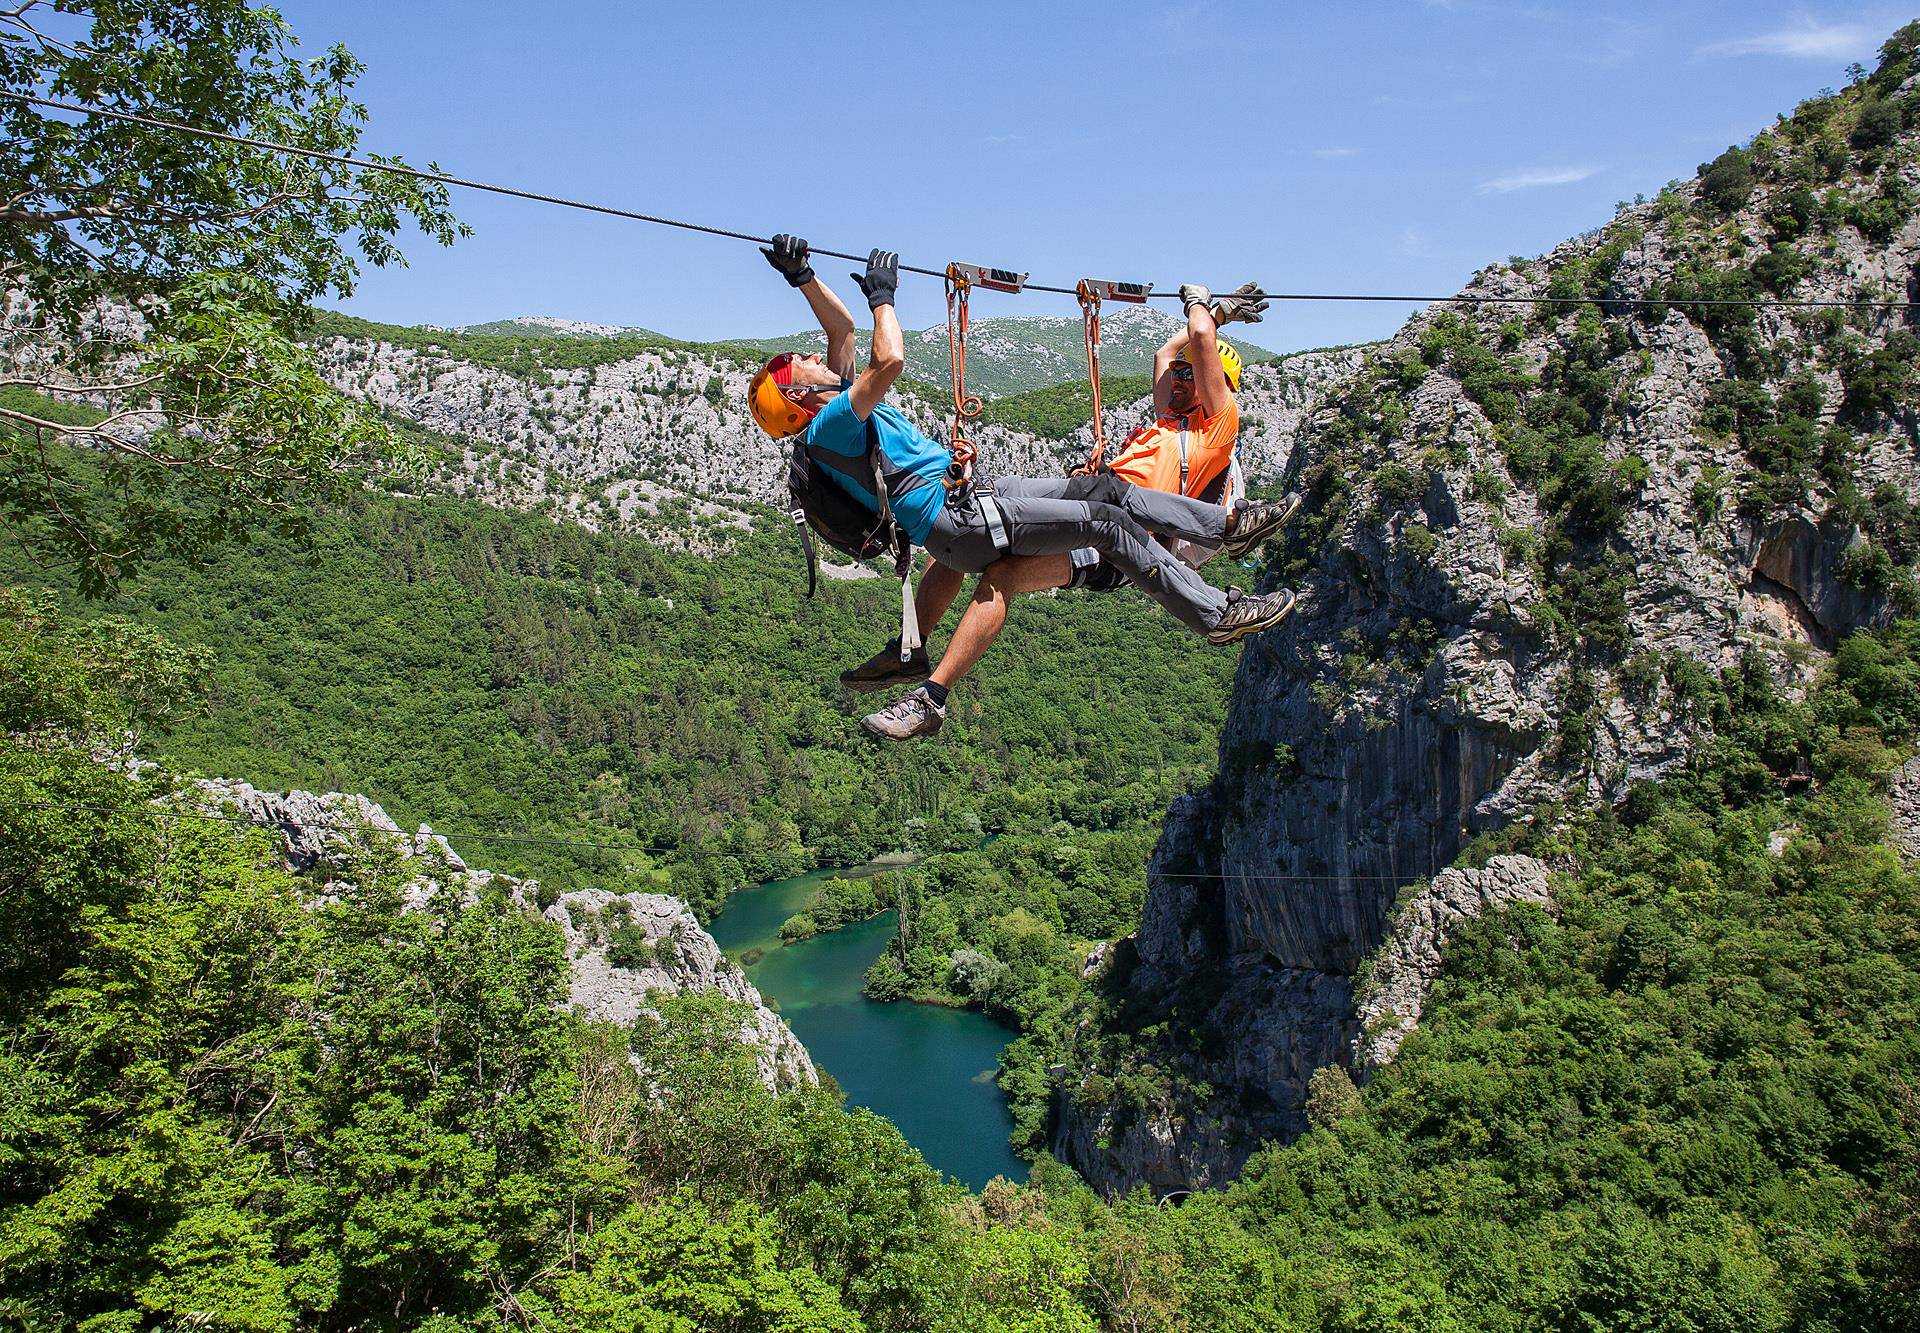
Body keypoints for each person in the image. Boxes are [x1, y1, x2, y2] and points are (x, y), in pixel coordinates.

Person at [750, 235, 1301, 739]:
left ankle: (1229, 528)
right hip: (957, 513)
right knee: (1105, 524)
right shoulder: (832, 424)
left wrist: (802, 277)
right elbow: (887, 356)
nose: (808, 358)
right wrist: (884, 297)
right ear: (795, 397)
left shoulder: (835, 408)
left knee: (1100, 491)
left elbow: (839, 332)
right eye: (795, 364)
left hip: (967, 498)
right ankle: (1215, 611)